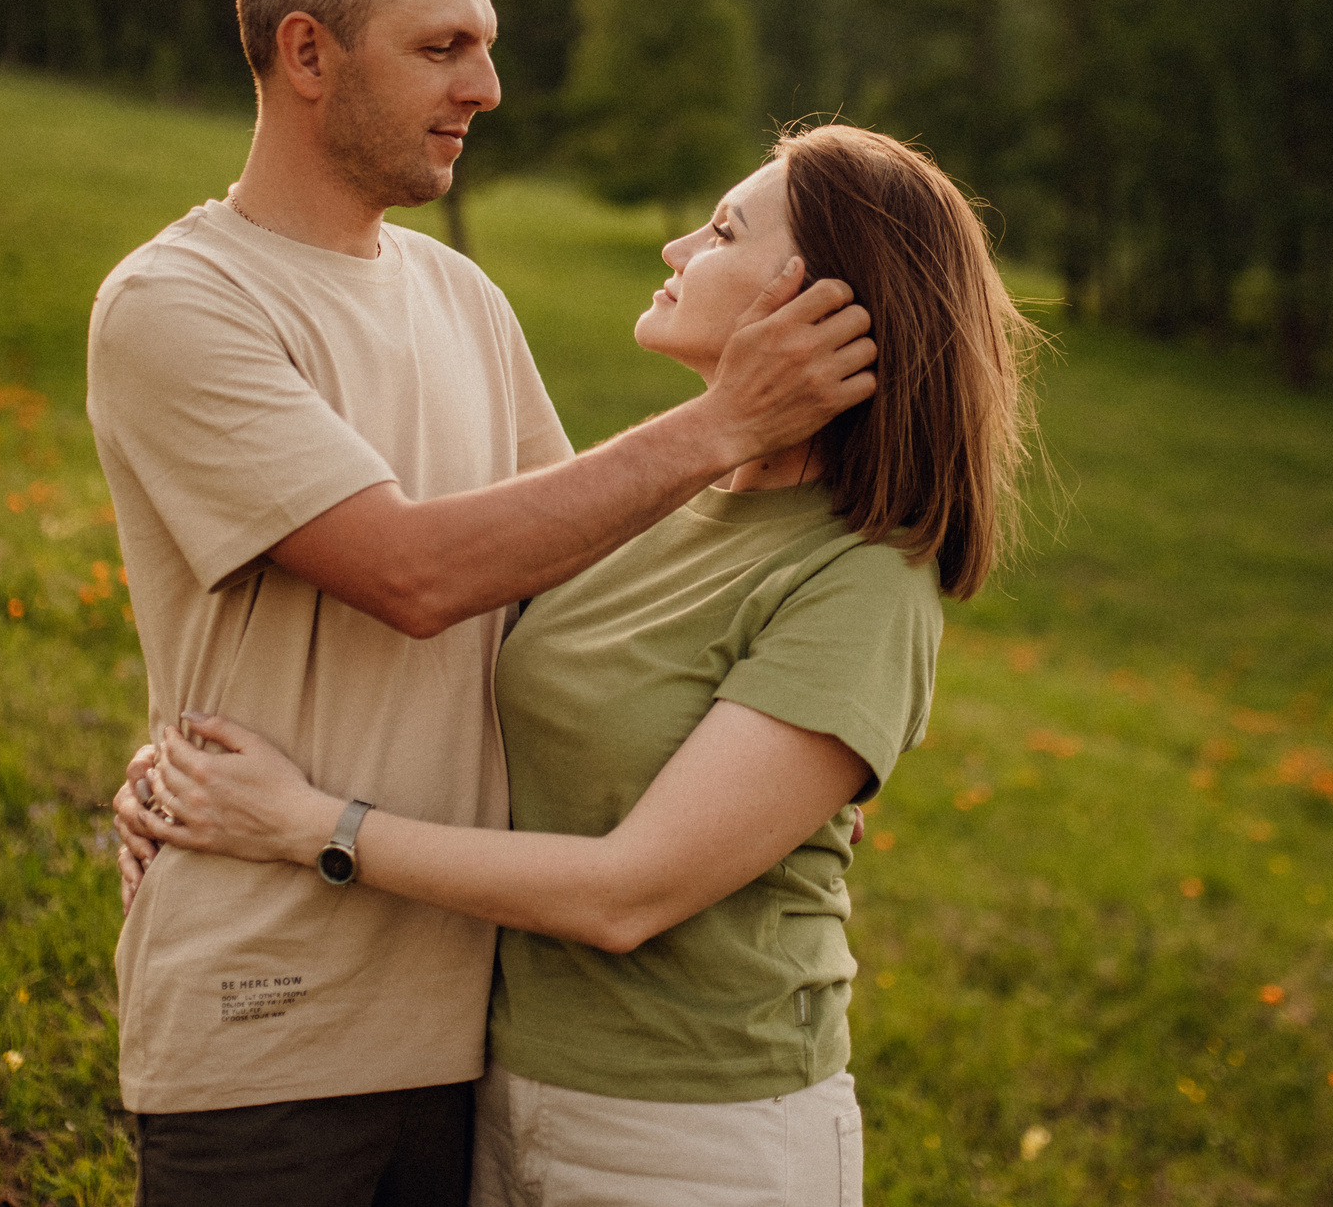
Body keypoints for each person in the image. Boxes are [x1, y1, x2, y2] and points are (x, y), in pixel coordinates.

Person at [88, 0, 876, 1207]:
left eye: (488, 43)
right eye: (442, 46)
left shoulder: (461, 295)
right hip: (268, 1023)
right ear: (306, 53)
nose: (489, 85)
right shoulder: (178, 304)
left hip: (480, 1032)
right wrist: (721, 419)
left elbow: (573, 594)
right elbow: (414, 574)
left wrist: (802, 702)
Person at [120, 124, 1036, 1206]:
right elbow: (456, 634)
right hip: (506, 1089)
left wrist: (304, 822)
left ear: (818, 302)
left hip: (704, 1133)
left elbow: (627, 893)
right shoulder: (652, 507)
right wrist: (181, 759)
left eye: (724, 230)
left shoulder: (864, 577)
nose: (675, 247)